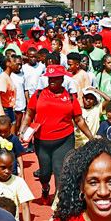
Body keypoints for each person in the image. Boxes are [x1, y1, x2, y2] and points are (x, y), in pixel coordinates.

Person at [19, 64, 95, 205]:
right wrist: (22, 131)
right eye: (50, 78)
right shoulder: (38, 94)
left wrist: (91, 137)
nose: (52, 80)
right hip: (42, 141)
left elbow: (78, 119)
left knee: (61, 172)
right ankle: (45, 188)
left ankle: (61, 203)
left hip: (64, 140)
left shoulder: (70, 97)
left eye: (55, 78)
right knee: (45, 173)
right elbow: (29, 114)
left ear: (62, 79)